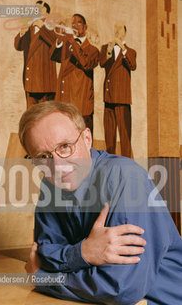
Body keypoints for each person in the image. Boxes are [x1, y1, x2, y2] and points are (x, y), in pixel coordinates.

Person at [18, 101, 182, 305]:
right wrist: (83, 252)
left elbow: (120, 288)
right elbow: (42, 253)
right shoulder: (50, 184)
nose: (58, 165)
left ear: (87, 139)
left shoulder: (124, 177)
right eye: (43, 157)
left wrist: (42, 278)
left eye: (65, 147)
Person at [50, 14, 99, 134]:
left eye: (78, 23)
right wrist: (60, 39)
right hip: (64, 101)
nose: (74, 26)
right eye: (72, 23)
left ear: (85, 27)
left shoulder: (93, 50)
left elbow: (86, 63)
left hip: (81, 104)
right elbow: (53, 56)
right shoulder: (68, 46)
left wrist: (72, 41)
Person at [100, 22, 137, 158]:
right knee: (109, 135)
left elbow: (133, 65)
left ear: (125, 32)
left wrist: (122, 47)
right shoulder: (106, 48)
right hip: (108, 96)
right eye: (115, 27)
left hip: (122, 98)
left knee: (125, 135)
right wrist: (110, 50)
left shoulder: (130, 52)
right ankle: (110, 162)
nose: (116, 30)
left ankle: (127, 162)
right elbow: (102, 63)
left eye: (120, 28)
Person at [14, 0, 57, 108]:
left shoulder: (53, 27)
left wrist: (43, 27)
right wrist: (21, 32)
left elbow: (56, 44)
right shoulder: (30, 28)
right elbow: (18, 47)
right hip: (30, 82)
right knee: (31, 118)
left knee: (44, 118)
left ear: (45, 12)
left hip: (45, 83)